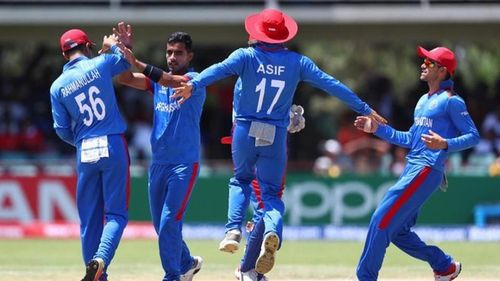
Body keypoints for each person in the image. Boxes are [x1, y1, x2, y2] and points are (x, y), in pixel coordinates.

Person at [173, 8, 386, 280]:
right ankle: (272, 231)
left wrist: (194, 84)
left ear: (258, 34)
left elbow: (216, 71)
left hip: (245, 130)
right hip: (275, 134)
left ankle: (233, 230)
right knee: (272, 196)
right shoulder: (297, 62)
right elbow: (333, 85)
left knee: (240, 180)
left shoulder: (245, 56)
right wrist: (364, 107)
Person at [354, 46, 480, 281]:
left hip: (426, 168)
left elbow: (473, 136)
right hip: (414, 167)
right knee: (399, 232)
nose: (423, 64)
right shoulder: (423, 100)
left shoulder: (452, 102)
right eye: (424, 60)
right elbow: (409, 139)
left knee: (380, 220)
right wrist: (375, 129)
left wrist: (445, 144)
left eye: (429, 62)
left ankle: (365, 278)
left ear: (442, 71)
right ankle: (444, 266)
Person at [113, 22, 203, 281]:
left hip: (184, 164)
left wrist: (137, 61)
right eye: (169, 52)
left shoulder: (193, 81)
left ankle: (172, 276)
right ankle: (187, 262)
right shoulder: (158, 83)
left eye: (178, 53)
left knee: (168, 224)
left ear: (190, 56)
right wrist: (124, 50)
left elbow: (167, 79)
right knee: (160, 226)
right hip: (159, 164)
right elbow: (124, 78)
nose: (173, 57)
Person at [49, 29, 131, 281]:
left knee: (88, 221)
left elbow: (62, 129)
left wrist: (83, 142)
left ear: (65, 55)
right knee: (116, 214)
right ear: (87, 47)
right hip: (113, 143)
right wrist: (115, 45)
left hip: (84, 148)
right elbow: (126, 62)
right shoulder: (101, 62)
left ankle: (97, 276)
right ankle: (101, 259)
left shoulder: (57, 87)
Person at [219, 103, 306, 254]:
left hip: (244, 137)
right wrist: (288, 119)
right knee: (267, 199)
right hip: (266, 139)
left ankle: (233, 231)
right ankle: (248, 261)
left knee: (247, 187)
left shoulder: (242, 82)